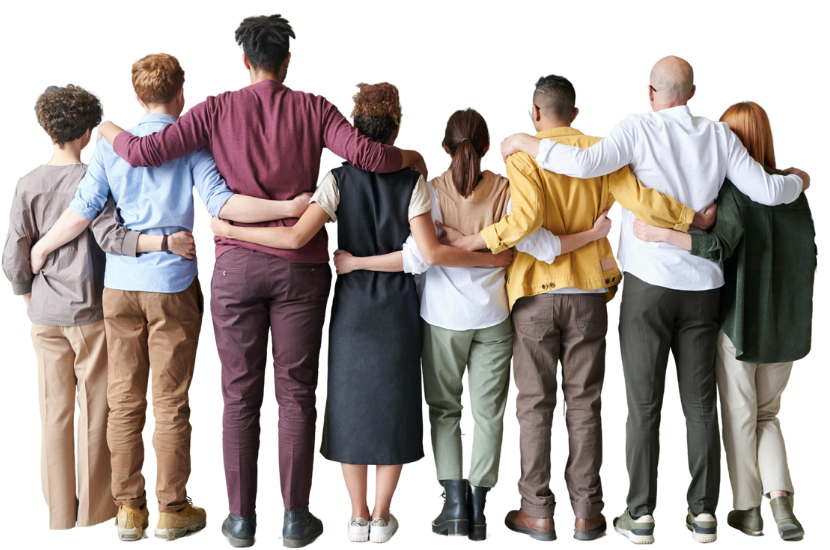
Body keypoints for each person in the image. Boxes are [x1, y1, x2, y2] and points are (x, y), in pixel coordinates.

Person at [96, 16, 430, 548]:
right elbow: (369, 156)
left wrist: (109, 129)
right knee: (296, 396)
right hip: (302, 272)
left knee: (239, 397)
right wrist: (411, 157)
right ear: (289, 60)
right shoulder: (315, 107)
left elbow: (144, 152)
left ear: (245, 61)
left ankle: (241, 521)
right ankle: (295, 520)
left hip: (236, 271)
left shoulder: (214, 108)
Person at [497, 56, 811, 544]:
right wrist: (800, 181)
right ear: (692, 93)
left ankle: (640, 514)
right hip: (704, 288)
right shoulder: (718, 135)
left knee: (643, 405)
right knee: (701, 405)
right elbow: (769, 191)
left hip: (647, 286)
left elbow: (581, 163)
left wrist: (523, 141)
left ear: (649, 92)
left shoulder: (635, 128)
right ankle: (703, 515)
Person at [210, 82, 512, 545]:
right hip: (398, 311)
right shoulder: (414, 181)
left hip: (349, 311)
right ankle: (383, 517)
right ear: (397, 128)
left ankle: (356, 516)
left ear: (352, 129)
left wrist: (232, 230)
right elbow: (424, 253)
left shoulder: (335, 180)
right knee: (395, 410)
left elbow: (295, 238)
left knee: (349, 409)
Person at [29, 53, 308, 543]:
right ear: (182, 94)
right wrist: (288, 207)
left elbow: (81, 212)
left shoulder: (109, 149)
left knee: (123, 398)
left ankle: (128, 511)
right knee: (171, 400)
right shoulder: (192, 144)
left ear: (137, 97)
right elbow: (222, 204)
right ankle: (172, 510)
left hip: (119, 286)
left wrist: (42, 248)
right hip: (173, 287)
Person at [425, 75, 709, 543]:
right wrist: (690, 218)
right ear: (576, 114)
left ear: (535, 113)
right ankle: (587, 514)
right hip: (590, 295)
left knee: (534, 406)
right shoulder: (602, 150)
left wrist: (472, 241)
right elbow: (641, 201)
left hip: (535, 295)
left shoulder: (522, 156)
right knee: (586, 404)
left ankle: (537, 512)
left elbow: (525, 221)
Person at [331, 105, 611, 542]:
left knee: (444, 411)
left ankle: (454, 508)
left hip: (442, 318)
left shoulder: (428, 190)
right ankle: (479, 512)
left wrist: (365, 262)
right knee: (489, 413)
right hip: (494, 316)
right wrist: (498, 255)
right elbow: (534, 246)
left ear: (444, 149)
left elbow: (417, 258)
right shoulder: (506, 187)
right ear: (487, 147)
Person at [1, 83, 194, 533]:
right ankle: (94, 513)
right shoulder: (95, 175)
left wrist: (27, 292)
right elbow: (112, 237)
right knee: (97, 411)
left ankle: (59, 515)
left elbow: (14, 254)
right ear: (88, 131)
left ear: (48, 130)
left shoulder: (27, 183)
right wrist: (163, 243)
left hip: (44, 314)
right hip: (90, 312)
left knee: (52, 414)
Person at [631, 99, 813, 543]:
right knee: (768, 415)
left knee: (739, 419)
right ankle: (782, 504)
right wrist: (802, 177)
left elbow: (718, 246)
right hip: (789, 330)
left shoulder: (733, 192)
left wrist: (663, 234)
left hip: (740, 326)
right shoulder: (794, 193)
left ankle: (748, 511)